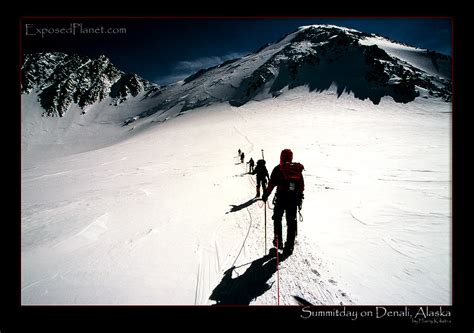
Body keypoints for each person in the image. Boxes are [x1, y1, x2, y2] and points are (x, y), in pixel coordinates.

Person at [262, 149, 304, 257]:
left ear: (281, 156)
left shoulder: (278, 169)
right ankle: (289, 246)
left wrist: (266, 194)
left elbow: (271, 184)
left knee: (277, 218)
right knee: (291, 222)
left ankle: (278, 241)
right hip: (293, 200)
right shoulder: (296, 169)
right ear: (291, 157)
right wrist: (299, 198)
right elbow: (301, 186)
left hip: (281, 198)